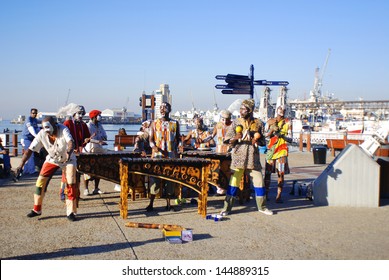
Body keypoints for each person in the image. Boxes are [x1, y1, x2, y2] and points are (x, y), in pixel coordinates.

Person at [16, 116, 79, 221]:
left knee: (71, 183)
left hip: (68, 160)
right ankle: (37, 209)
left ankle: (71, 212)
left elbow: (70, 142)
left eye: (51, 131)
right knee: (40, 182)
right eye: (47, 132)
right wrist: (20, 165)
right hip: (52, 159)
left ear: (55, 125)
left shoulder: (63, 129)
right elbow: (30, 150)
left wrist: (69, 151)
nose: (50, 134)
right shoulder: (42, 133)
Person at [220, 99, 273, 216]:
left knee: (260, 183)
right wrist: (235, 138)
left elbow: (264, 142)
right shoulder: (235, 122)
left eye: (243, 109)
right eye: (240, 109)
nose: (241, 111)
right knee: (233, 183)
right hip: (238, 157)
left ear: (250, 110)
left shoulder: (258, 123)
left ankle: (262, 207)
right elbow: (226, 140)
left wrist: (257, 139)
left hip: (253, 159)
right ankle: (226, 208)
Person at [145, 102, 180, 212]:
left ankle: (169, 204)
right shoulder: (154, 123)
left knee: (169, 180)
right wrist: (154, 147)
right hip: (157, 155)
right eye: (161, 108)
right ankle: (151, 203)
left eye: (165, 107)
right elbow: (150, 139)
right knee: (154, 179)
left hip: (170, 155)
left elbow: (178, 138)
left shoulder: (175, 123)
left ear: (170, 109)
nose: (162, 110)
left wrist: (176, 147)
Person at [264, 105, 292, 203]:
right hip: (271, 149)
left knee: (281, 173)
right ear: (277, 110)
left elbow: (291, 139)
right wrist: (272, 130)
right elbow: (265, 135)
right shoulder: (270, 121)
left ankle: (279, 195)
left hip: (282, 150)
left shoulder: (288, 122)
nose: (282, 111)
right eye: (281, 109)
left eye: (284, 110)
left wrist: (282, 136)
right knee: (267, 173)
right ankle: (265, 194)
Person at [62, 105, 91, 199]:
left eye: (82, 114)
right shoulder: (67, 123)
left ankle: (76, 194)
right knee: (67, 175)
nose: (80, 115)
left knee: (77, 174)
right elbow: (62, 138)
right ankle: (64, 193)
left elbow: (87, 137)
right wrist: (70, 149)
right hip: (68, 153)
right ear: (74, 114)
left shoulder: (83, 125)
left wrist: (87, 140)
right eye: (79, 113)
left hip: (79, 153)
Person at [209, 109, 233, 195]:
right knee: (217, 169)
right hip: (219, 149)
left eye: (227, 119)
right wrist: (208, 139)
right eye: (223, 119)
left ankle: (226, 188)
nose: (225, 121)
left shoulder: (232, 125)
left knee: (227, 169)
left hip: (229, 150)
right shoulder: (218, 125)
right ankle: (219, 187)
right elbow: (212, 135)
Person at [84, 109, 108, 195]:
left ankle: (96, 188)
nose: (100, 117)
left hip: (99, 149)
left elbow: (104, 135)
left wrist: (103, 138)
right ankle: (86, 189)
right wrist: (98, 141)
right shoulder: (88, 126)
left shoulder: (100, 125)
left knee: (99, 169)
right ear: (94, 117)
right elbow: (88, 138)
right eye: (99, 115)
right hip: (89, 150)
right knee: (87, 169)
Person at [21, 108, 40, 174]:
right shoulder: (28, 120)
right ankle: (32, 170)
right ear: (30, 113)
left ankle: (26, 170)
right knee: (30, 153)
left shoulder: (35, 120)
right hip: (26, 139)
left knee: (28, 154)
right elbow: (30, 129)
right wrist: (37, 136)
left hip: (31, 139)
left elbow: (38, 127)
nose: (34, 114)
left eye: (35, 113)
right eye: (33, 113)